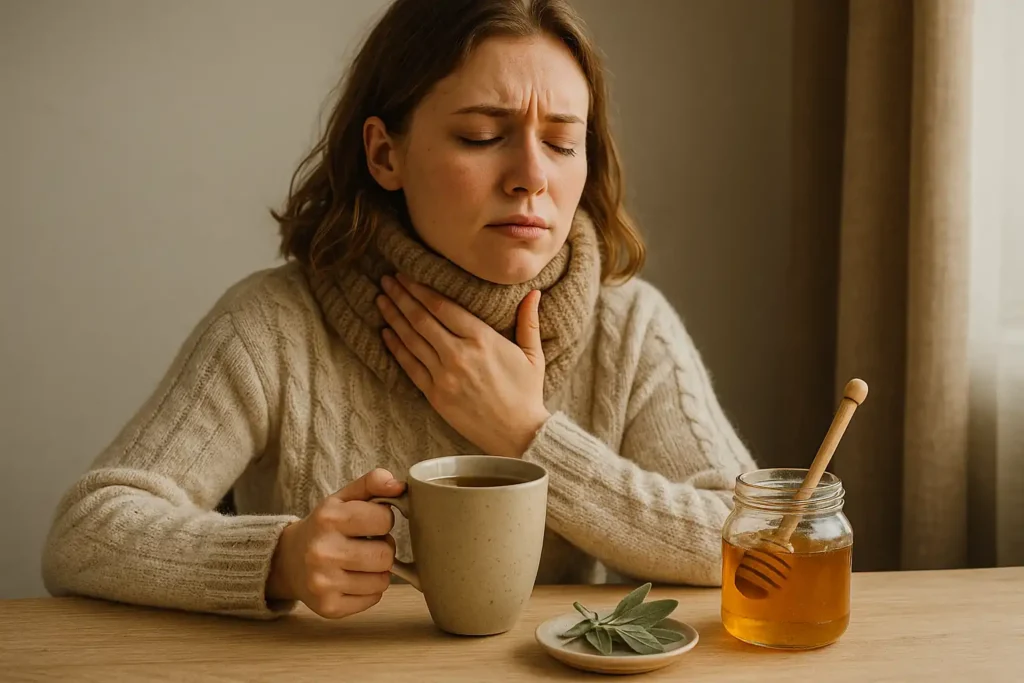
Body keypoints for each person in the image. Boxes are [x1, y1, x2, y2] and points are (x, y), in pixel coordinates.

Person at [41, 0, 756, 621]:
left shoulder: (631, 325)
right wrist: (279, 559)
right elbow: (85, 532)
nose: (533, 177)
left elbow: (759, 540)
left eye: (563, 142)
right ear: (385, 154)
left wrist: (530, 435)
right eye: (482, 135)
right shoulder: (271, 326)